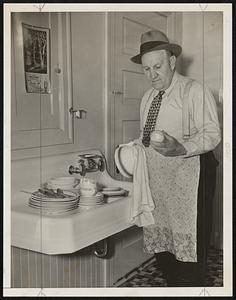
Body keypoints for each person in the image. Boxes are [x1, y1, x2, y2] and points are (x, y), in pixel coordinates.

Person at [130, 30, 221, 286]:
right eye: (146, 69)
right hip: (159, 181)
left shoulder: (194, 90)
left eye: (157, 67)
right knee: (164, 242)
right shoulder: (148, 97)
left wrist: (182, 148)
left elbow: (212, 134)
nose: (152, 75)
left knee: (192, 242)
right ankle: (171, 284)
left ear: (172, 61)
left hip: (192, 174)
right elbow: (145, 138)